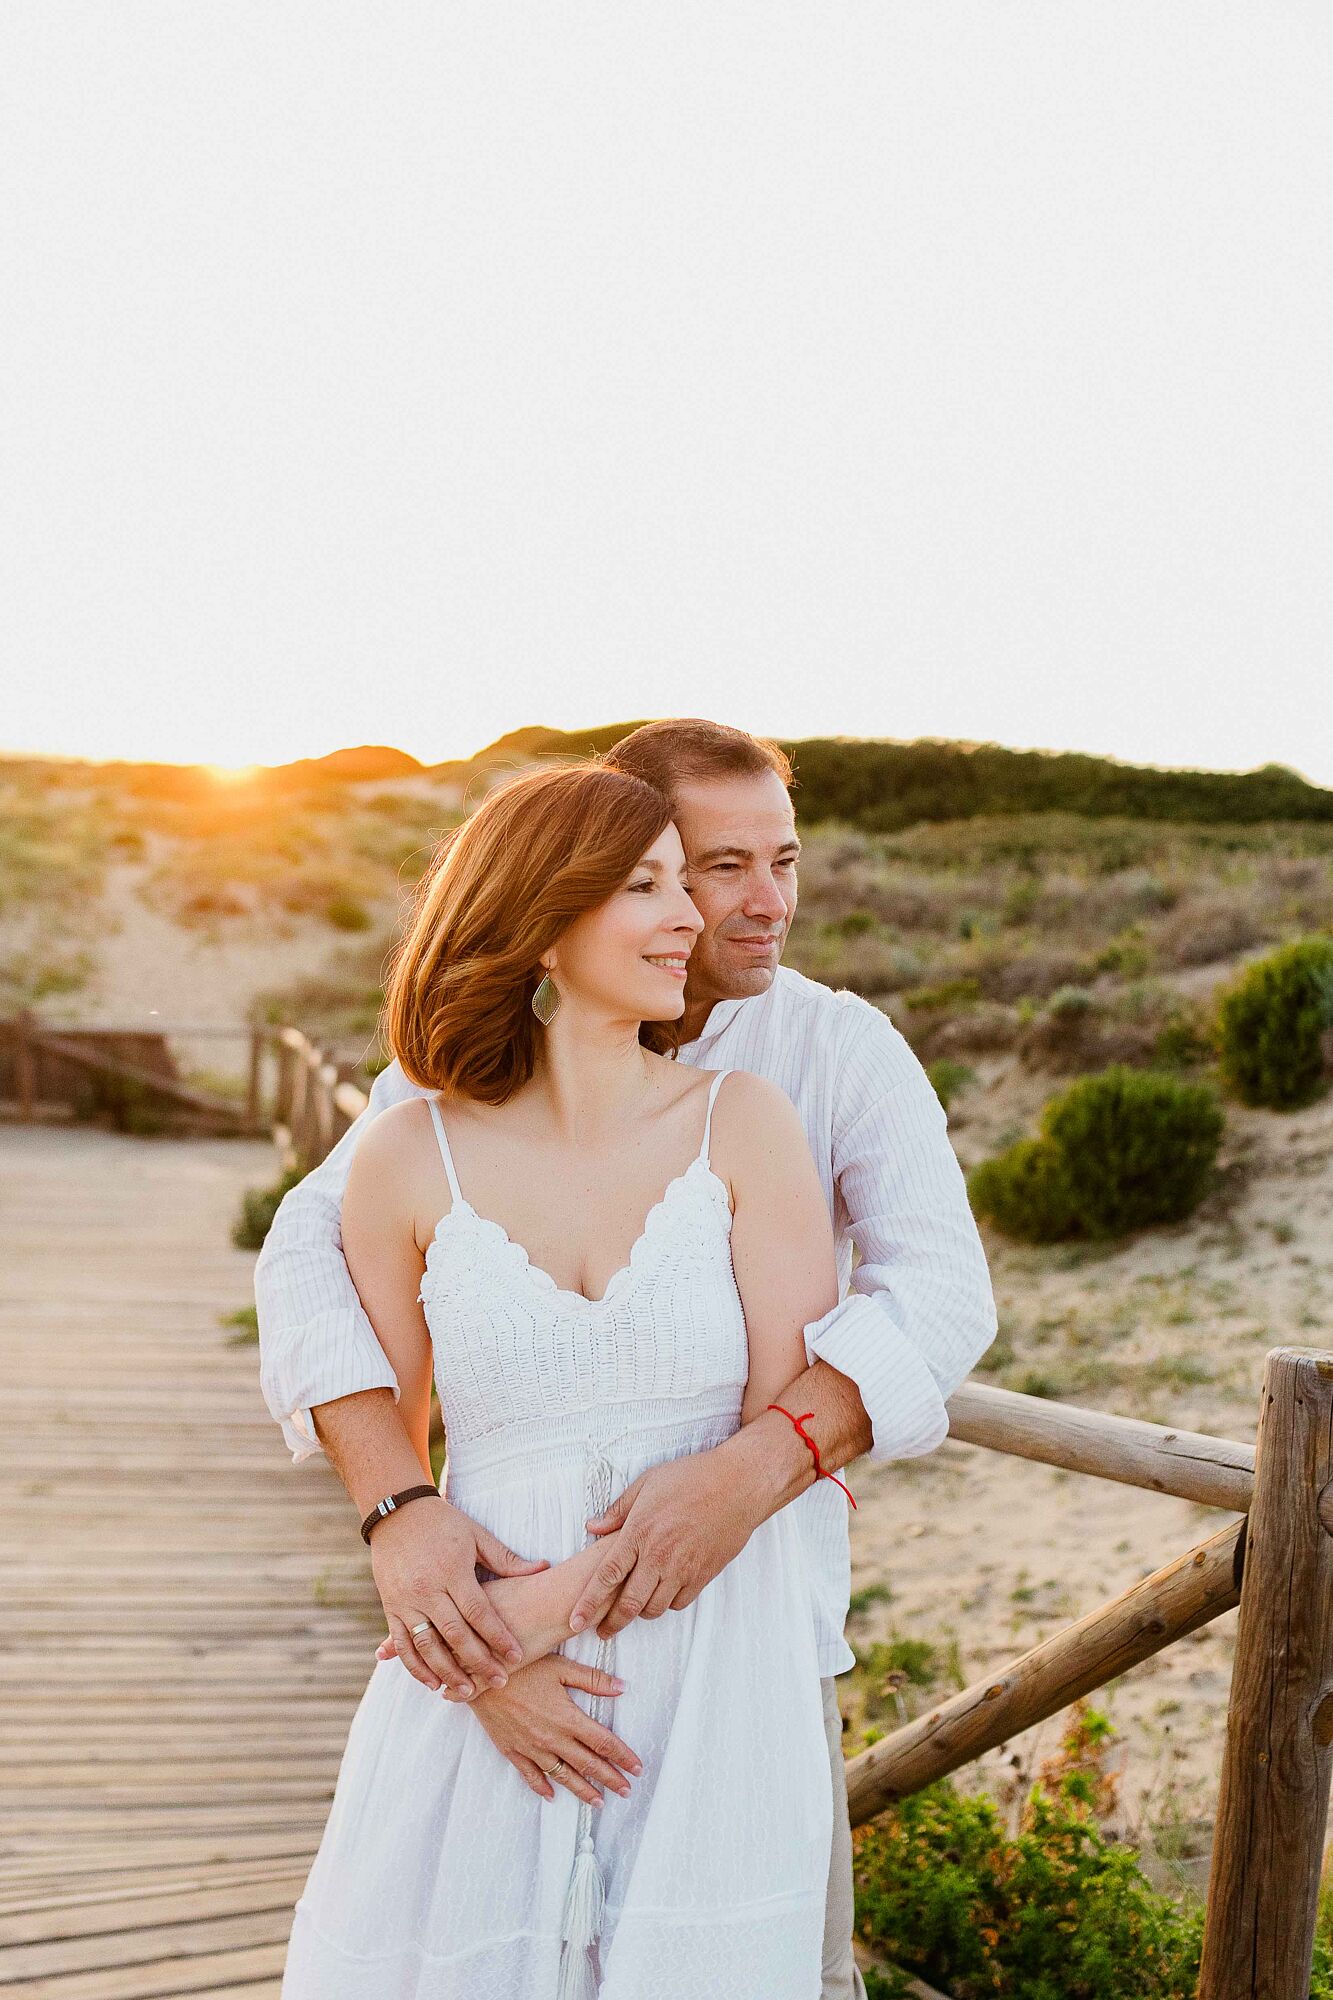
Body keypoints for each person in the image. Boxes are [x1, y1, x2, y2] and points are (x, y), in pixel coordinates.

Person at [257, 717, 999, 2000]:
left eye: (785, 859)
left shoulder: (823, 1055)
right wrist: (411, 1532)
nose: (761, 903)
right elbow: (305, 1255)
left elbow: (939, 1293)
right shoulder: (439, 1106)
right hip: (501, 1636)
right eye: (716, 866)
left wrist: (755, 1469)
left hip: (741, 1629)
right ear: (584, 871)